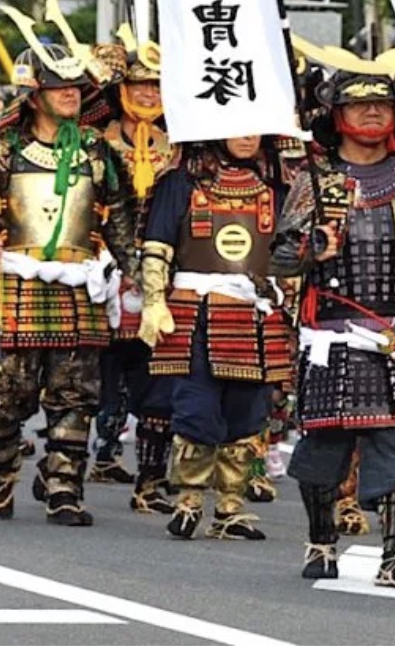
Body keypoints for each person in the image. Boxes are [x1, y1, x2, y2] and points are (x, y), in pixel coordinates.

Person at [275, 69, 395, 589]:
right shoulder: (313, 181)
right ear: (337, 116)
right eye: (358, 106)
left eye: (382, 106)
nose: (372, 114)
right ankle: (321, 543)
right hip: (332, 334)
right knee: (325, 445)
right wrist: (311, 249)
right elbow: (281, 258)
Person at [0, 41, 135, 525]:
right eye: (59, 87)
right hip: (17, 279)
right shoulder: (4, 148)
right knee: (2, 393)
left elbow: (118, 215)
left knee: (76, 393)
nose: (70, 95)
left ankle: (63, 487)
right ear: (36, 95)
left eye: (74, 87)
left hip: (79, 282)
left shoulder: (97, 150)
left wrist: (134, 269)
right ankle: (3, 468)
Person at [137, 134, 293, 541]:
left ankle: (230, 505)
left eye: (253, 127)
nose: (246, 136)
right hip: (196, 313)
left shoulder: (277, 189)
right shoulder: (181, 184)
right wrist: (154, 299)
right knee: (197, 406)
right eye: (237, 126)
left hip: (254, 313)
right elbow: (157, 248)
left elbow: (292, 253)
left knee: (246, 412)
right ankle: (189, 498)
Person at [93, 37, 182, 515]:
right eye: (140, 86)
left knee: (158, 375)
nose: (148, 95)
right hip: (103, 269)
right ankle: (102, 452)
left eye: (156, 87)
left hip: (161, 271)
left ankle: (151, 481)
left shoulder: (180, 145)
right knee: (101, 372)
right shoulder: (97, 140)